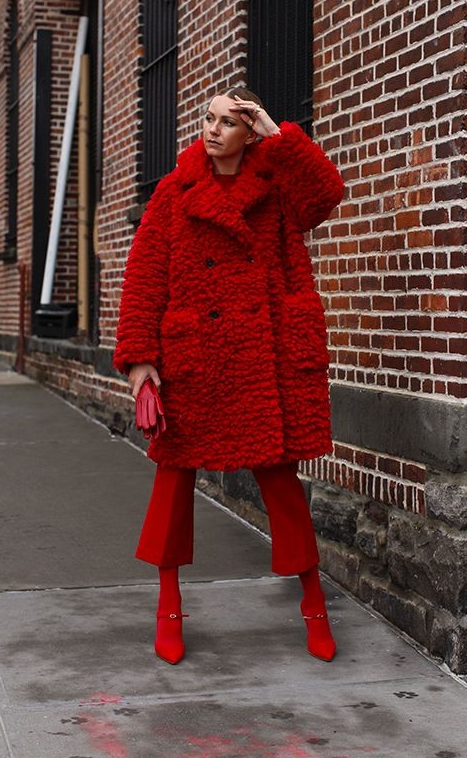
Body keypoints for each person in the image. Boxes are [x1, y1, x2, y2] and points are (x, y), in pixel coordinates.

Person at [113, 87, 345, 664]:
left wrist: (277, 133)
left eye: (229, 122)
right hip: (195, 358)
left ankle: (313, 603)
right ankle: (169, 605)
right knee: (173, 484)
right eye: (208, 119)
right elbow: (145, 276)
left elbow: (325, 196)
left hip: (263, 355)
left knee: (282, 485)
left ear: (248, 133)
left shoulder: (277, 185)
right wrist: (140, 359)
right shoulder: (174, 192)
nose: (213, 130)